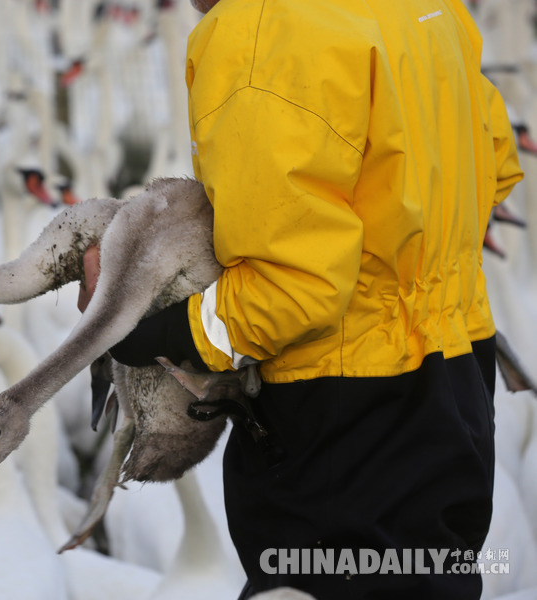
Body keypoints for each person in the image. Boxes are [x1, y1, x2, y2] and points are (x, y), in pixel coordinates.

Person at [78, 0, 524, 598]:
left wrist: (136, 328)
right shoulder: (427, 8)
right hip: (458, 377)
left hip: (343, 417)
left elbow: (293, 289)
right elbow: (495, 166)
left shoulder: (263, 32)